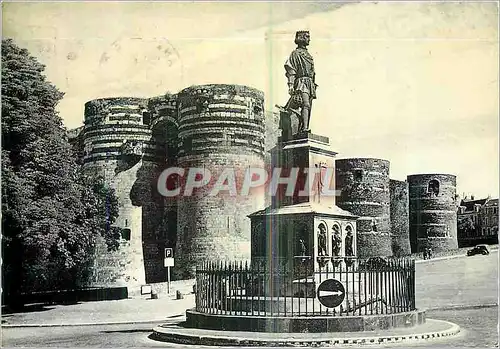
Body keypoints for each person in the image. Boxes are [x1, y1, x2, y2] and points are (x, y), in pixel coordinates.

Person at [284, 31, 317, 133]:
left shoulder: (309, 55)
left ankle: (303, 127)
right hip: (301, 82)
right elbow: (291, 70)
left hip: (310, 83)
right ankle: (305, 128)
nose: (309, 39)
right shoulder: (295, 53)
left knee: (308, 107)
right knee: (305, 104)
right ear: (301, 38)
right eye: (307, 37)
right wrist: (290, 85)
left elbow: (313, 72)